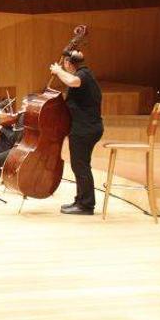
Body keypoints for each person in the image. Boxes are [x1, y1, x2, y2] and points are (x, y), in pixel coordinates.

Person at [51, 50, 103, 215]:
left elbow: (73, 81)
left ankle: (86, 205)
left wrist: (58, 71)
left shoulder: (83, 74)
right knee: (79, 165)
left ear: (67, 63)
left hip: (85, 129)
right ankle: (81, 200)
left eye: (64, 64)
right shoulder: (85, 73)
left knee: (80, 166)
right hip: (85, 128)